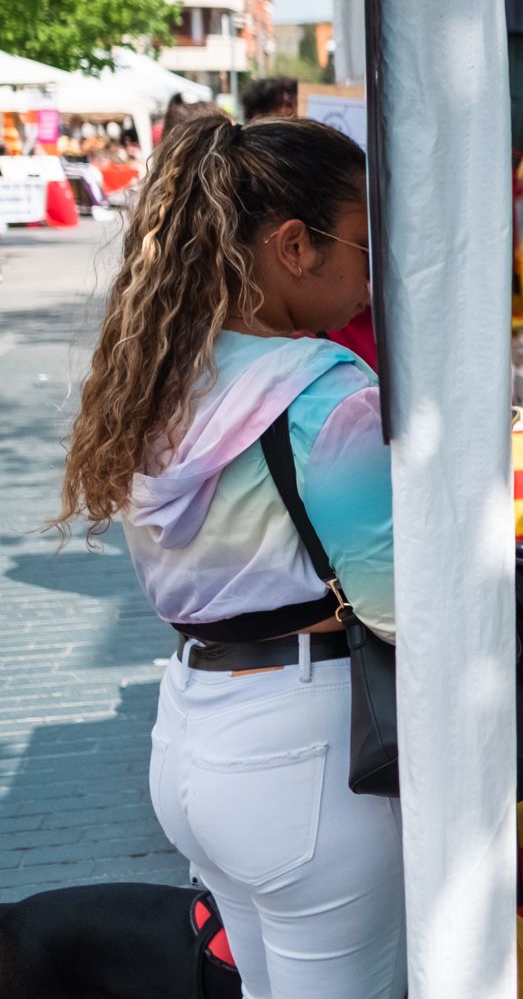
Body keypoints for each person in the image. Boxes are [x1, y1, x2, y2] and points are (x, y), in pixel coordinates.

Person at [53, 115, 403, 999]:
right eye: (364, 242)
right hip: (312, 759)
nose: (373, 270)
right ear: (295, 246)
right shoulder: (327, 392)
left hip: (193, 737)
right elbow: (402, 605)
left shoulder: (158, 376)